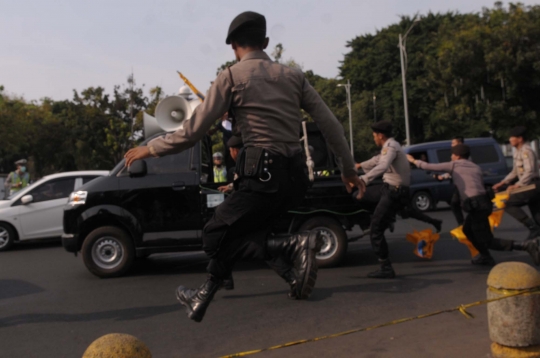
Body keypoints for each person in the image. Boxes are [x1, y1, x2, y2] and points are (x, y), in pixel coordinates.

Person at [124, 11, 363, 322]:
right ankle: (207, 295)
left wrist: (151, 148)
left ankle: (296, 244)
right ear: (265, 42)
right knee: (252, 233)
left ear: (233, 45)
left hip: (263, 175)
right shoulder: (294, 76)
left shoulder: (232, 76)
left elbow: (193, 131)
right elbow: (332, 127)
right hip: (295, 178)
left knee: (214, 236)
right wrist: (348, 170)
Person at [408, 144, 540, 266]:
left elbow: (427, 166)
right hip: (482, 204)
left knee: (487, 241)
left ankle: (525, 245)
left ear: (457, 156)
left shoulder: (455, 165)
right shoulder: (475, 166)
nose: (451, 157)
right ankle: (484, 255)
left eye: (452, 155)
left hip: (477, 207)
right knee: (467, 230)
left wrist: (413, 161)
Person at [354, 120, 412, 279]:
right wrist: (359, 166)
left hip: (394, 192)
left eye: (374, 136)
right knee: (358, 196)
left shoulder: (391, 147)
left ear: (380, 135)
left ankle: (386, 267)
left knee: (376, 230)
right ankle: (379, 219)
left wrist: (363, 180)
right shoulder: (391, 146)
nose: (374, 139)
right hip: (389, 189)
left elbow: (383, 165)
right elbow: (377, 160)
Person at [492, 126, 540, 240]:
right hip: (530, 185)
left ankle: (532, 227)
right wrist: (502, 182)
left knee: (509, 203)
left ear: (520, 138)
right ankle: (536, 231)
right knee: (537, 214)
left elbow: (529, 171)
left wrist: (518, 185)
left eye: (512, 137)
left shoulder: (526, 151)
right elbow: (515, 171)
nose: (510, 140)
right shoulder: (518, 151)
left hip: (532, 185)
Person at [435, 136, 465, 225]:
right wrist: (444, 176)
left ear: (459, 143)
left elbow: (454, 168)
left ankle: (463, 224)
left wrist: (443, 176)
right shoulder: (457, 154)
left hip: (463, 184)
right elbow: (453, 169)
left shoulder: (463, 154)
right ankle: (463, 223)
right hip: (458, 183)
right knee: (456, 203)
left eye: (453, 143)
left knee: (457, 203)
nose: (451, 145)